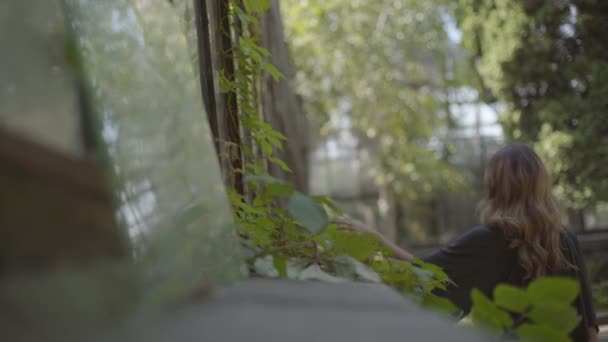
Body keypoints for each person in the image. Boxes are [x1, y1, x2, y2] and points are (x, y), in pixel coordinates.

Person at [336, 144, 598, 342]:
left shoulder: (487, 239)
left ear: (493, 186)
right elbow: (588, 324)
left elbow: (426, 273)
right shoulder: (565, 238)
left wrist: (375, 239)